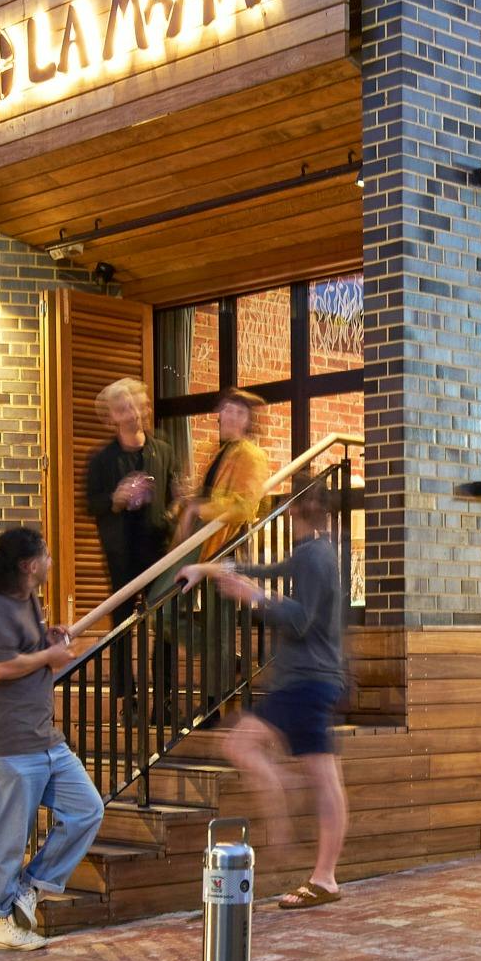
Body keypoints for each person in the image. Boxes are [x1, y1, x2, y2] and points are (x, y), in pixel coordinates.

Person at [199, 478, 351, 910]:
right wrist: (215, 571)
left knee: (244, 745)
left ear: (294, 510)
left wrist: (254, 596)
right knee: (321, 776)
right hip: (307, 680)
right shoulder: (311, 554)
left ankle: (317, 865)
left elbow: (301, 620)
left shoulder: (317, 556)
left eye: (286, 506)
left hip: (307, 681)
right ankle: (324, 875)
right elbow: (274, 572)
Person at [0, 526, 104, 952]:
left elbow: (22, 650)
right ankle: (0, 919)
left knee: (86, 809)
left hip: (44, 735)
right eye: (45, 555)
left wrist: (46, 640)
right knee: (7, 835)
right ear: (29, 565)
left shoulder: (28, 599)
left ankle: (30, 887)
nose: (50, 561)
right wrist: (49, 656)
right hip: (6, 740)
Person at [78, 378, 177, 597]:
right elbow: (91, 505)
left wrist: (173, 516)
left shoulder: (164, 451)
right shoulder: (101, 460)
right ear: (111, 418)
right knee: (123, 617)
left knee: (162, 614)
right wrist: (115, 499)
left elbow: (175, 497)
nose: (133, 414)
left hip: (158, 547)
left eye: (133, 406)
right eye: (122, 410)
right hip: (121, 553)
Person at [174, 389, 275, 553]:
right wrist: (191, 498)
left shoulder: (252, 455)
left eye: (240, 413)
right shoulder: (221, 451)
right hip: (205, 536)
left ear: (248, 421)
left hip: (226, 544)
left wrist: (198, 509)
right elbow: (212, 493)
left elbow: (245, 507)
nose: (232, 417)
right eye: (228, 410)